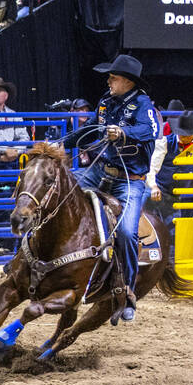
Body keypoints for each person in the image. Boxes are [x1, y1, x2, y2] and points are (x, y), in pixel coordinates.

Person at [68, 55, 160, 323]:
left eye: (113, 77)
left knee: (128, 233)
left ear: (128, 81)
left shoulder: (144, 105)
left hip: (130, 180)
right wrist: (61, 143)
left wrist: (122, 132)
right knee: (60, 192)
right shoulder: (106, 103)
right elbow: (92, 130)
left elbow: (149, 131)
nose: (108, 81)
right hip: (100, 171)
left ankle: (127, 292)